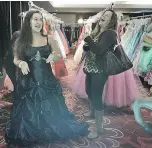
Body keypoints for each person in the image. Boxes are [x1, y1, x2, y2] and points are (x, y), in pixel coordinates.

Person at [5, 10, 88, 147]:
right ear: (29, 22)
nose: (38, 22)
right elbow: (15, 59)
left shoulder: (49, 38)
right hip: (28, 80)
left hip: (46, 78)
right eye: (35, 19)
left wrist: (53, 56)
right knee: (28, 107)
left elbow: (58, 54)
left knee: (50, 104)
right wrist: (21, 63)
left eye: (40, 19)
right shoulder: (21, 39)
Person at [81, 9, 118, 139]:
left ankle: (98, 128)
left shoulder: (110, 33)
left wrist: (88, 39)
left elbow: (99, 50)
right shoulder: (98, 31)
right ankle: (92, 112)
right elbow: (91, 47)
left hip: (100, 70)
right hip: (91, 68)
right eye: (104, 15)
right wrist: (87, 44)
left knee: (96, 96)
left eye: (107, 16)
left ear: (111, 21)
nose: (104, 17)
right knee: (88, 91)